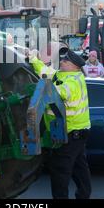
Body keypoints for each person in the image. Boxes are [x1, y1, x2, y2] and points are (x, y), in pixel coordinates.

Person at [27, 48, 91, 199]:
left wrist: (38, 88)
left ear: (74, 66)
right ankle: (84, 195)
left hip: (71, 133)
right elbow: (45, 70)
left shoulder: (74, 81)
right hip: (76, 132)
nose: (61, 61)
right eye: (62, 59)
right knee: (79, 168)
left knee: (60, 172)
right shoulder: (62, 75)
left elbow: (59, 92)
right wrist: (33, 58)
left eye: (65, 60)